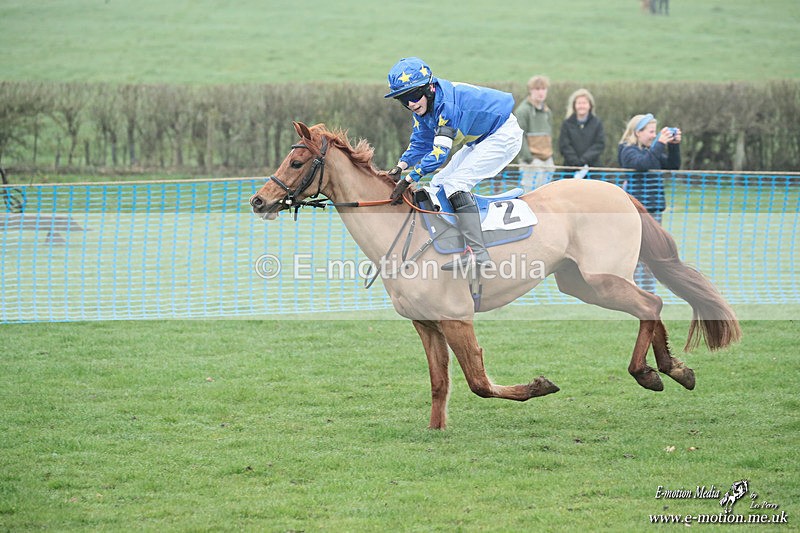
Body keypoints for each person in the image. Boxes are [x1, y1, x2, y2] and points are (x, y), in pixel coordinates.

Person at [384, 57, 523, 271]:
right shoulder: (423, 108)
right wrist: (400, 167)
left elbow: (439, 154)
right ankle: (452, 243)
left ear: (429, 88)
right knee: (439, 182)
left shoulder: (445, 106)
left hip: (503, 134)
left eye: (413, 95)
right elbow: (421, 143)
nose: (411, 103)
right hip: (481, 138)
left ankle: (479, 254)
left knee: (455, 185)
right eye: (404, 100)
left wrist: (411, 178)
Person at [618, 113, 682, 292]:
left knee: (652, 256)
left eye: (655, 132)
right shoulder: (627, 150)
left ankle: (647, 293)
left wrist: (674, 146)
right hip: (637, 212)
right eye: (651, 132)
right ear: (638, 132)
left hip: (654, 211)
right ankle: (636, 294)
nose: (654, 136)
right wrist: (660, 144)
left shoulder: (651, 151)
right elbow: (643, 164)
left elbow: (672, 165)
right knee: (638, 256)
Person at [514, 75, 554, 191]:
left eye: (543, 89)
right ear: (531, 90)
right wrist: (529, 159)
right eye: (537, 89)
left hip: (547, 160)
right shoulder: (523, 110)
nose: (540, 92)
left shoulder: (547, 111)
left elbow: (549, 134)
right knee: (530, 193)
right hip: (531, 161)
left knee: (547, 193)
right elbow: (519, 136)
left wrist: (549, 156)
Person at [558, 88, 605, 170]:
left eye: (584, 103)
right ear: (574, 105)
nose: (581, 106)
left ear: (590, 105)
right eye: (579, 103)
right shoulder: (567, 124)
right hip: (571, 169)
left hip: (593, 169)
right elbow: (564, 145)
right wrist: (575, 162)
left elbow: (599, 144)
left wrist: (584, 160)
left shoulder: (597, 123)